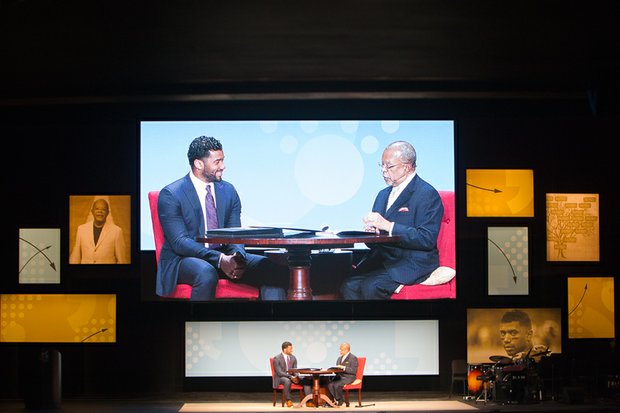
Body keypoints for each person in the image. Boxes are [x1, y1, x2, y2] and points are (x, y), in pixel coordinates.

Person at [155, 135, 288, 301]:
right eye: (217, 162)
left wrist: (236, 258)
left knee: (269, 269)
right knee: (205, 272)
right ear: (198, 164)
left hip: (224, 255)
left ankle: (273, 322)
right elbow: (180, 242)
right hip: (184, 259)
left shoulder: (228, 190)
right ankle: (199, 325)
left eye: (223, 160)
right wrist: (220, 260)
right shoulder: (171, 194)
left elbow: (236, 234)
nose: (223, 166)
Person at [340, 140, 444, 299]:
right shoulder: (382, 195)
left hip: (412, 261)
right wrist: (371, 233)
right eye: (381, 165)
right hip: (385, 259)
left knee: (371, 286)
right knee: (349, 285)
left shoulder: (426, 194)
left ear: (407, 167)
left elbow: (426, 239)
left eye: (389, 166)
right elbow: (376, 239)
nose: (383, 171)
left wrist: (388, 225)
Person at [69, 198, 128, 264]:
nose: (100, 211)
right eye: (97, 209)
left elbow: (122, 261)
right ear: (92, 211)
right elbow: (75, 257)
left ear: (108, 213)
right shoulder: (81, 229)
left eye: (103, 209)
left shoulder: (117, 231)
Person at [272, 341, 313, 407]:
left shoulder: (293, 358)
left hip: (292, 377)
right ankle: (288, 400)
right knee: (287, 381)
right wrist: (291, 376)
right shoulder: (276, 358)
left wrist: (296, 376)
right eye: (290, 349)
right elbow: (279, 373)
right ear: (285, 349)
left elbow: (295, 370)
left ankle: (308, 401)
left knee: (306, 380)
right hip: (280, 378)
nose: (292, 350)